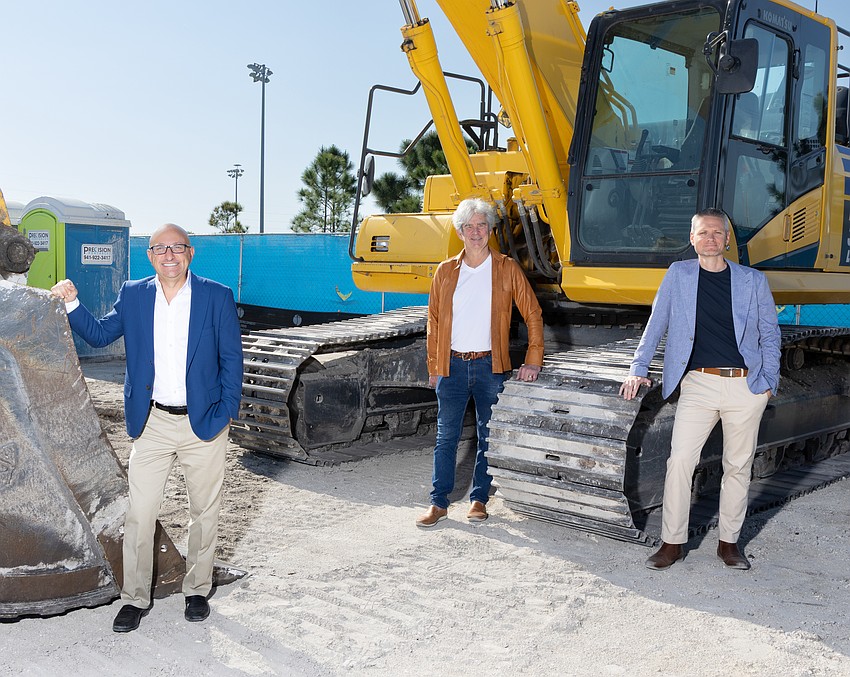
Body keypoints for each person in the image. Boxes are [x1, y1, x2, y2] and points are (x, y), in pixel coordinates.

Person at [51, 224, 243, 632]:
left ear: (190, 253)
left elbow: (232, 360)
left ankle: (197, 589)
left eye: (177, 247)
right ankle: (135, 597)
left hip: (204, 421)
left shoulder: (217, 296)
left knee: (204, 512)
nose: (169, 254)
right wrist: (71, 304)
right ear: (150, 255)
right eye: (160, 248)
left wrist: (226, 411)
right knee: (140, 513)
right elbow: (101, 333)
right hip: (152, 421)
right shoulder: (134, 294)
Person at [620, 208, 780, 571]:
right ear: (692, 239)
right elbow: (656, 322)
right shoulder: (679, 275)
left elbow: (770, 333)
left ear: (726, 240)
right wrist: (637, 368)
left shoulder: (752, 280)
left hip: (746, 386)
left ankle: (729, 544)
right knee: (680, 461)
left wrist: (768, 381)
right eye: (703, 232)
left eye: (717, 233)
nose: (710, 238)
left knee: (738, 466)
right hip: (699, 384)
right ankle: (672, 543)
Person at [416, 198, 544, 528]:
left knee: (487, 436)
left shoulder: (506, 268)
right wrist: (434, 365)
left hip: (490, 366)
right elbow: (433, 321)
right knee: (446, 438)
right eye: (469, 227)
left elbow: (532, 313)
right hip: (452, 367)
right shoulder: (445, 271)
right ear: (460, 232)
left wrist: (533, 359)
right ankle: (438, 503)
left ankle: (479, 499)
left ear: (490, 230)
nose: (476, 232)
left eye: (482, 225)